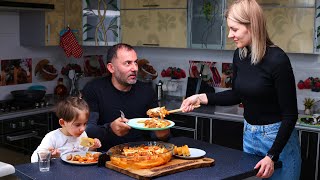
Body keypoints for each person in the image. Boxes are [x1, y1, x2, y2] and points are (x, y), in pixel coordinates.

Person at [180, 0, 301, 179]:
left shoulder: (278, 60)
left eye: (234, 29)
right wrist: (200, 98)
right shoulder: (240, 54)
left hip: (276, 142)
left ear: (252, 26)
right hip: (249, 136)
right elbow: (237, 94)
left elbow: (290, 115)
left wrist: (272, 156)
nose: (230, 35)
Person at [82, 43, 170, 151]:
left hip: (142, 155)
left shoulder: (147, 91)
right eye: (127, 63)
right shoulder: (94, 89)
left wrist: (163, 134)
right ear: (111, 68)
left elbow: (156, 134)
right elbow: (87, 130)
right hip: (106, 156)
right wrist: (110, 128)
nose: (134, 68)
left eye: (135, 63)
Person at [31, 96, 101, 162]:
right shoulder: (52, 137)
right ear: (62, 123)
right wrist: (49, 155)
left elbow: (86, 153)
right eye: (77, 125)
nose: (82, 129)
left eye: (85, 124)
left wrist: (93, 147)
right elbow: (34, 159)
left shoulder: (83, 135)